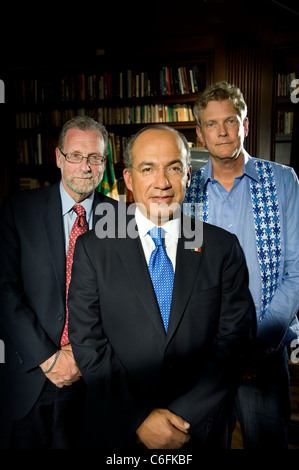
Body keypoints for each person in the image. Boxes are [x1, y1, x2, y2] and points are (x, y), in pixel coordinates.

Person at [68, 124, 256, 449]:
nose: (162, 182)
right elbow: (88, 342)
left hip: (200, 430)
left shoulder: (223, 248)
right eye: (147, 168)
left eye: (174, 167)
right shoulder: (93, 248)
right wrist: (139, 417)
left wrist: (182, 417)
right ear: (128, 179)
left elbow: (235, 343)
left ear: (187, 175)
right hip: (119, 430)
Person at [184, 81, 299, 449]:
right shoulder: (186, 191)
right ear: (200, 133)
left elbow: (295, 271)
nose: (222, 132)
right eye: (212, 124)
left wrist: (260, 344)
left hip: (262, 352)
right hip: (203, 355)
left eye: (230, 121)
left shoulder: (282, 181)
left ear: (244, 125)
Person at [0, 115, 118, 449]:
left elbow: (128, 301)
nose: (85, 167)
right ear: (58, 158)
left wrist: (84, 357)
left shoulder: (123, 219)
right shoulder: (18, 210)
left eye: (95, 157)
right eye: (76, 156)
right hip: (30, 375)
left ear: (105, 162)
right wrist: (49, 358)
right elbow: (4, 289)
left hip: (95, 378)